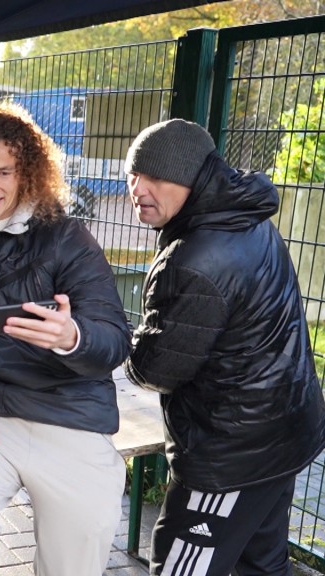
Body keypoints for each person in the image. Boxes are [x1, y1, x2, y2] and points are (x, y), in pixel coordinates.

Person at [0, 102, 130, 576]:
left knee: (82, 536)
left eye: (4, 171)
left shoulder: (66, 238)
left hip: (67, 411)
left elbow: (114, 338)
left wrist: (72, 336)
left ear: (27, 171)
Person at [122, 119, 325, 576]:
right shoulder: (247, 219)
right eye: (134, 175)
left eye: (156, 177)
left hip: (231, 452)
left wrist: (123, 343)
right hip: (285, 429)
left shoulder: (195, 255)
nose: (139, 188)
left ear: (192, 178)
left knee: (181, 568)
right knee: (262, 563)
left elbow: (157, 369)